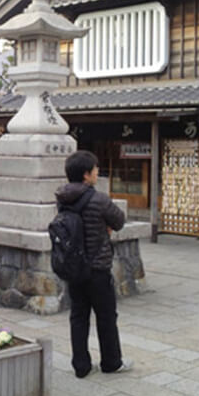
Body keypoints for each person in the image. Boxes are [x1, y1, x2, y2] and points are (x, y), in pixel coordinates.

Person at [55, 150, 132, 378]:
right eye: (96, 169)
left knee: (78, 316)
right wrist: (105, 226)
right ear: (87, 175)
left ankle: (81, 366)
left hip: (74, 268)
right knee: (106, 316)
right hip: (98, 267)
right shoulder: (99, 199)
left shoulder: (62, 198)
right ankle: (111, 362)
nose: (98, 172)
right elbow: (119, 221)